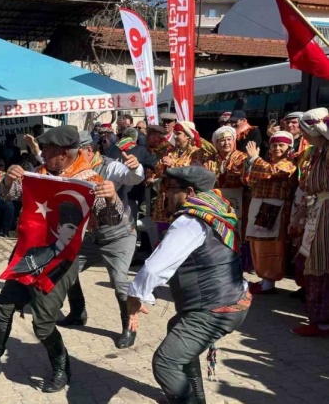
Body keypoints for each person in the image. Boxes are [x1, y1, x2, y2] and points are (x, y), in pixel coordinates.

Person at [0, 126, 122, 393]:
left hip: (60, 261)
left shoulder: (91, 180)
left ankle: (61, 366)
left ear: (65, 154)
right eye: (43, 149)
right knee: (2, 308)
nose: (41, 153)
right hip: (28, 253)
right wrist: (9, 180)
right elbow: (10, 195)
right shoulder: (39, 174)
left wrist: (113, 199)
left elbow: (111, 221)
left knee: (43, 324)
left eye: (47, 150)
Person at [127, 166, 250, 404]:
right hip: (230, 299)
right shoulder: (217, 208)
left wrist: (135, 296)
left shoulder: (190, 221)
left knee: (166, 362)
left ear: (190, 191)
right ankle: (197, 398)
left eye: (171, 189)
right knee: (176, 330)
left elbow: (154, 268)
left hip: (216, 309)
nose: (165, 194)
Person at [59, 130, 145, 349]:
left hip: (119, 235)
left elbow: (133, 177)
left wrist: (135, 167)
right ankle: (78, 312)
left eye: (74, 153)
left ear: (88, 150)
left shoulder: (110, 166)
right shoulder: (72, 169)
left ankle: (129, 327)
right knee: (66, 267)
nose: (70, 157)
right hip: (92, 236)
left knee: (119, 282)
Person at [243, 132, 297, 295]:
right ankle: (264, 278)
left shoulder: (289, 165)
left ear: (289, 148)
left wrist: (254, 159)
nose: (277, 148)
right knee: (258, 244)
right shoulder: (266, 164)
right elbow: (250, 180)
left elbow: (272, 172)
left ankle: (270, 280)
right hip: (260, 205)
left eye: (282, 145)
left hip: (274, 208)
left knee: (272, 246)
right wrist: (252, 162)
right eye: (274, 145)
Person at [291, 108, 329, 336]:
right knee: (314, 258)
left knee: (321, 261)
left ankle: (322, 321)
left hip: (327, 211)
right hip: (320, 208)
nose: (302, 136)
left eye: (304, 130)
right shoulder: (320, 151)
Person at [204, 126, 251, 270]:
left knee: (239, 230)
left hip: (239, 199)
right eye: (222, 140)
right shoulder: (210, 160)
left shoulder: (242, 157)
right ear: (216, 144)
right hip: (217, 199)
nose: (226, 143)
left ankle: (242, 263)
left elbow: (247, 179)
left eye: (229, 139)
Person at [151, 122, 204, 234]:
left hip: (184, 197)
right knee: (163, 232)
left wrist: (173, 165)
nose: (175, 136)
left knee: (182, 231)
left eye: (178, 133)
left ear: (187, 136)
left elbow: (194, 172)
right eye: (174, 133)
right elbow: (158, 171)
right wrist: (162, 166)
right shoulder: (169, 150)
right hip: (166, 196)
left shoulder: (197, 153)